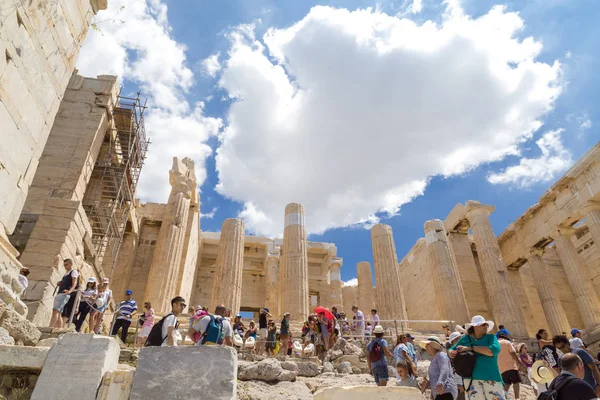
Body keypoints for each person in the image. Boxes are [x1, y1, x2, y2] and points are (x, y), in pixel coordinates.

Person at [449, 315, 505, 399]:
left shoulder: (491, 337)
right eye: (483, 325)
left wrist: (470, 348)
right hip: (471, 379)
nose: (486, 326)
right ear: (475, 327)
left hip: (491, 377)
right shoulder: (465, 339)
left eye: (486, 324)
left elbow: (493, 351)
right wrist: (450, 352)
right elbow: (451, 349)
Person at [49, 259, 79, 328]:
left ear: (71, 264)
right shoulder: (66, 273)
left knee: (55, 311)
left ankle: (50, 327)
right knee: (59, 313)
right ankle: (59, 329)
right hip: (60, 293)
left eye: (67, 264)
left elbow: (74, 284)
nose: (65, 266)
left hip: (64, 294)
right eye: (64, 265)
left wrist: (69, 291)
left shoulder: (73, 272)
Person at [497, 332, 521, 399]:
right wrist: (518, 362)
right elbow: (513, 353)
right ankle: (517, 398)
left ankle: (504, 397)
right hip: (511, 365)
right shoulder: (507, 342)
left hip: (502, 368)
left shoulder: (495, 344)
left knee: (506, 383)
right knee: (516, 382)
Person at [447, 331, 466, 400]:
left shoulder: (463, 352)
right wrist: (459, 384)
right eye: (457, 340)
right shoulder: (452, 354)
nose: (459, 341)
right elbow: (454, 369)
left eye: (460, 339)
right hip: (457, 386)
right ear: (452, 343)